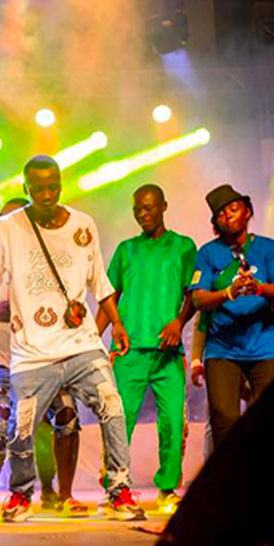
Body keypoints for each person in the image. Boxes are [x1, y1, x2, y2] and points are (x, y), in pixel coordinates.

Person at [0, 155, 144, 523]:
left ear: (61, 185)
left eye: (52, 187)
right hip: (32, 350)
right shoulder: (7, 227)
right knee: (21, 425)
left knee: (111, 405)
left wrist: (117, 324)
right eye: (38, 189)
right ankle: (21, 494)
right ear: (26, 188)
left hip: (81, 343)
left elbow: (98, 280)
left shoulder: (83, 224)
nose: (46, 195)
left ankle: (119, 490)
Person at [0, 198, 85, 519]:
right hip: (0, 356)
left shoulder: (47, 254)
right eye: (2, 221)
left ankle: (64, 495)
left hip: (44, 356)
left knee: (67, 414)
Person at [189, 185, 274, 447]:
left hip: (265, 346)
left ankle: (268, 474)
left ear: (247, 211)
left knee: (272, 420)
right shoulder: (207, 253)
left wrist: (259, 288)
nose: (228, 215)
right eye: (220, 213)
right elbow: (198, 299)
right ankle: (231, 474)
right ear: (215, 223)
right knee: (224, 424)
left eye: (233, 209)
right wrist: (228, 292)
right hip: (223, 349)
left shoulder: (267, 248)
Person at [96, 184, 197, 513]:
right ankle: (115, 487)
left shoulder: (183, 246)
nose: (142, 214)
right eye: (137, 209)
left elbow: (193, 293)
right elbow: (109, 295)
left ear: (164, 206)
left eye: (149, 207)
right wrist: (95, 337)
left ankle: (167, 488)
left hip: (168, 353)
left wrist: (179, 322)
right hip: (129, 350)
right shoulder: (126, 249)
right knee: (119, 419)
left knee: (172, 421)